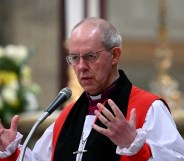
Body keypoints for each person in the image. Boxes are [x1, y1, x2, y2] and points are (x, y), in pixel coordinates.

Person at [0, 17, 184, 161]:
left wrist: (135, 146)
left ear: (115, 55)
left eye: (90, 56)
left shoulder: (147, 108)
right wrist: (11, 152)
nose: (81, 67)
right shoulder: (65, 118)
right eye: (74, 58)